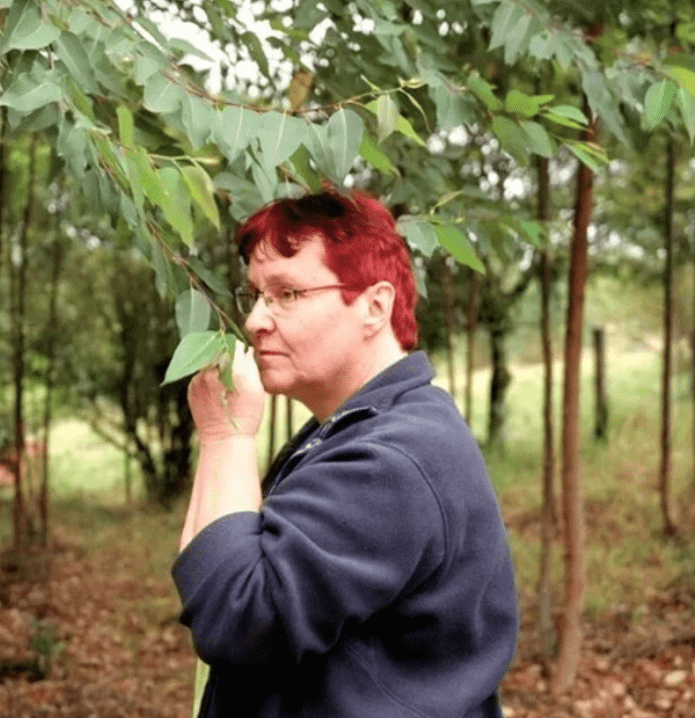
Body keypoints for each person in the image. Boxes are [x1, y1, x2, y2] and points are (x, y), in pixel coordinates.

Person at [171, 190, 518, 717]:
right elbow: (208, 571)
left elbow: (233, 620)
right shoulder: (355, 432)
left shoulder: (393, 460)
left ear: (375, 306)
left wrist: (227, 437)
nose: (255, 321)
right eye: (257, 296)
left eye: (287, 294)